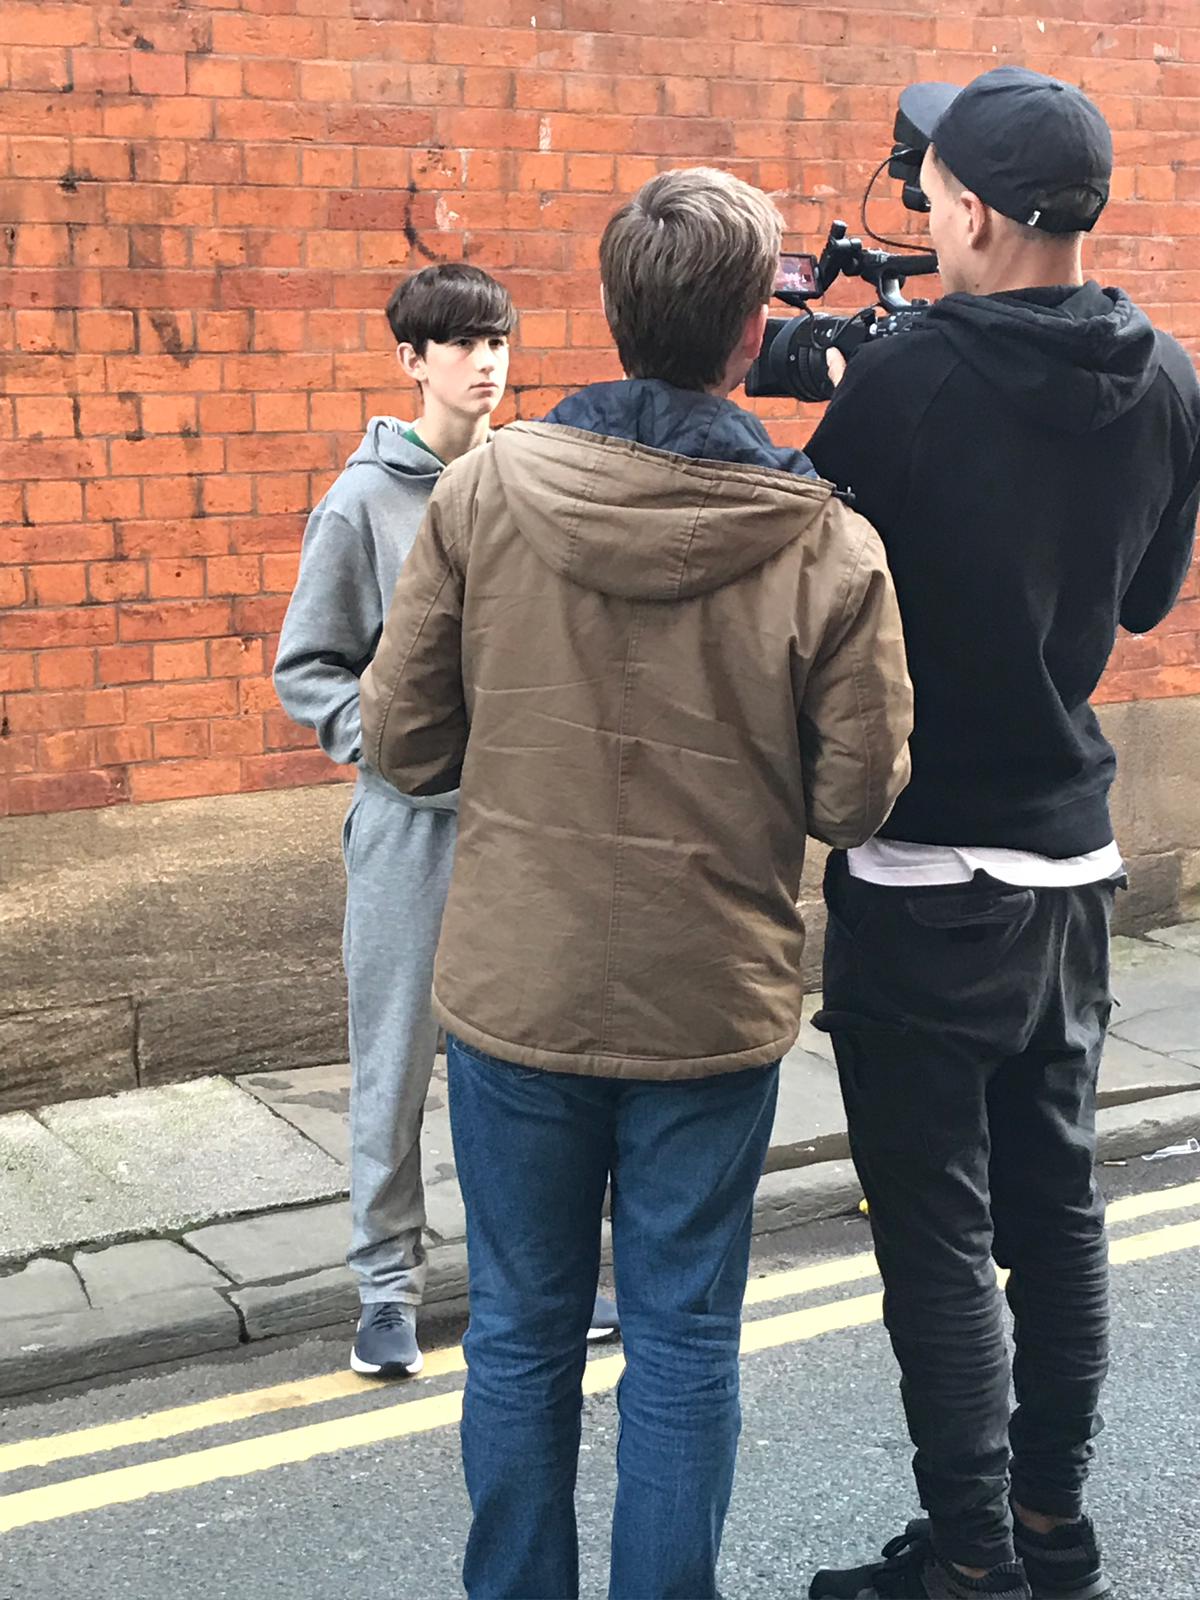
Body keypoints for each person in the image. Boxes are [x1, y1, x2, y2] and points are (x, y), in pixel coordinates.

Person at [359, 167, 913, 1599]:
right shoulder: (828, 543)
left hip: (518, 986)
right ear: (751, 334)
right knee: (681, 1341)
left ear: (612, 313)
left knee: (519, 1334)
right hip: (708, 999)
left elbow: (402, 738)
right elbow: (855, 799)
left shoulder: (482, 495)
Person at [803, 67, 1200, 1600]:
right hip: (1072, 865)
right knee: (1058, 1214)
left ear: (970, 211)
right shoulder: (1169, 379)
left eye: (931, 192)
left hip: (923, 870)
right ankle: (1051, 1534)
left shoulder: (907, 382)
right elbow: (1145, 601)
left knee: (939, 1240)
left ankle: (971, 1563)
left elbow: (810, 592)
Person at [274, 263, 618, 1380]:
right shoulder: (360, 503)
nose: (487, 362)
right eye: (463, 343)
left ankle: (552, 1277)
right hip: (411, 832)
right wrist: (393, 748)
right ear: (411, 361)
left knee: (540, 1064)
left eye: (498, 341)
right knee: (395, 1058)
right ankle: (386, 1290)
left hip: (527, 828)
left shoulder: (533, 484)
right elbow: (308, 667)